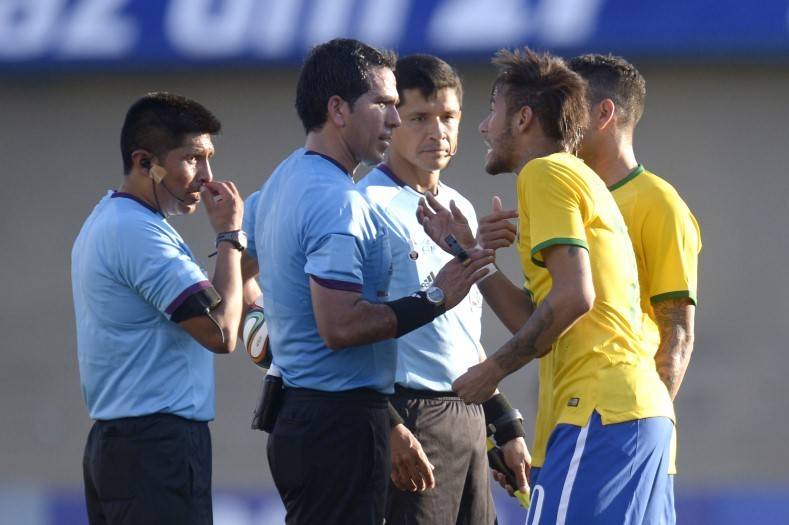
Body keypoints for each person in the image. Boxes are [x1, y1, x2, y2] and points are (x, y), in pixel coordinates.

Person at [417, 48, 676, 524]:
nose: (482, 127)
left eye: (492, 110)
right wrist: (471, 255)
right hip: (628, 415)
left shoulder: (544, 172)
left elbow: (575, 297)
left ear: (523, 118)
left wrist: (493, 369)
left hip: (598, 411)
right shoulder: (576, 176)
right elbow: (537, 318)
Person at [251, 39, 494, 524]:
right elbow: (340, 327)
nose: (394, 119)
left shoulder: (283, 178)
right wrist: (437, 296)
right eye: (384, 104)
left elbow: (241, 267)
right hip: (342, 419)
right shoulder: (342, 201)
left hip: (313, 414)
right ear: (338, 110)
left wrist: (262, 325)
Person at [356, 54, 528, 525]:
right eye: (419, 118)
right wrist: (390, 425)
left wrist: (502, 421)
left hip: (468, 415)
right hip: (407, 414)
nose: (438, 132)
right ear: (392, 120)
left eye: (448, 117)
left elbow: (461, 333)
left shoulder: (460, 207)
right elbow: (345, 330)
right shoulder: (364, 206)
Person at [72, 92, 246, 525]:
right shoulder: (137, 232)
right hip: (154, 449)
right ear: (145, 162)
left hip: (125, 446)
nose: (206, 177)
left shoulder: (114, 219)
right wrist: (230, 237)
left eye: (209, 159)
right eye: (192, 158)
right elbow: (221, 332)